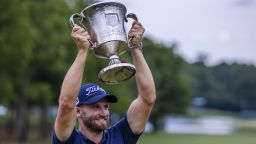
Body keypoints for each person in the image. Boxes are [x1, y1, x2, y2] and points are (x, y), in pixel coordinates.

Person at [52, 20, 156, 144]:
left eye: (105, 107)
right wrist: (82, 52)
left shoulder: (121, 135)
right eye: (95, 107)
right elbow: (66, 103)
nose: (103, 113)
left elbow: (148, 99)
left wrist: (135, 47)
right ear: (78, 112)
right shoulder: (69, 139)